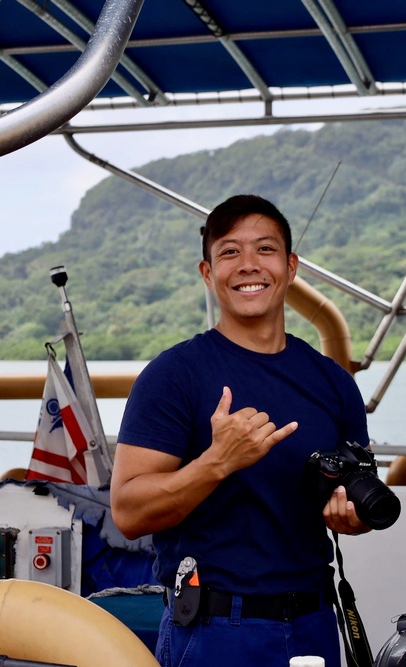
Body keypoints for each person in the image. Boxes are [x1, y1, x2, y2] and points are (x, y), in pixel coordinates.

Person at [110, 194, 370, 667]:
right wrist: (217, 462)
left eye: (265, 250)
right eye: (230, 252)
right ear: (208, 274)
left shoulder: (333, 382)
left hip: (315, 622)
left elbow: (361, 495)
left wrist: (353, 517)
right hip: (212, 631)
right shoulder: (174, 376)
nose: (249, 265)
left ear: (291, 267)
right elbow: (128, 511)